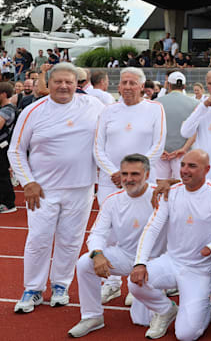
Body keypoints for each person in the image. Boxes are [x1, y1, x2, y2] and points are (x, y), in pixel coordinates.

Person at [11, 63, 105, 313]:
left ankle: (61, 285)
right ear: (48, 83)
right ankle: (32, 288)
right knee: (38, 239)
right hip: (43, 190)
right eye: (58, 82)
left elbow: (113, 131)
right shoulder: (32, 111)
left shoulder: (95, 106)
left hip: (81, 188)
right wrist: (28, 181)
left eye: (69, 82)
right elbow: (16, 150)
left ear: (77, 84)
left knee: (71, 240)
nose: (63, 86)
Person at [129, 150, 211, 340]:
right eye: (183, 165)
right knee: (136, 283)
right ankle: (166, 310)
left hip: (200, 270)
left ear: (207, 170)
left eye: (192, 166)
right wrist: (139, 262)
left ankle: (208, 300)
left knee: (186, 335)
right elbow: (152, 228)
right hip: (171, 262)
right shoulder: (171, 193)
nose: (184, 170)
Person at [93, 67, 167, 301]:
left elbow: (158, 144)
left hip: (144, 182)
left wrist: (136, 173)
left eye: (132, 83)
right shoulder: (108, 111)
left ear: (142, 87)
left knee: (144, 229)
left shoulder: (155, 109)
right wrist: (115, 173)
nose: (127, 87)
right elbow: (98, 146)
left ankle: (139, 280)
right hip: (110, 182)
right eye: (124, 82)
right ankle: (112, 281)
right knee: (111, 231)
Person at [68, 154, 160, 337]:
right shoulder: (113, 200)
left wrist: (173, 183)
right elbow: (98, 233)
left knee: (142, 320)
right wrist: (97, 254)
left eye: (135, 174)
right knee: (85, 262)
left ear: (147, 174)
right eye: (124, 173)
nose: (128, 179)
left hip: (156, 261)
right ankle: (92, 316)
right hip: (126, 255)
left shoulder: (161, 195)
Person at [156, 71, 200, 180]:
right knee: (183, 186)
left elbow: (151, 129)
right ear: (184, 86)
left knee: (159, 187)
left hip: (162, 153)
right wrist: (184, 149)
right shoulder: (195, 103)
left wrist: (159, 149)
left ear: (169, 85)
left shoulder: (156, 102)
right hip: (184, 153)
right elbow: (196, 130)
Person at [0, 82, 18, 212]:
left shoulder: (7, 110)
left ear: (4, 94)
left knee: (2, 174)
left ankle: (8, 203)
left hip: (2, 146)